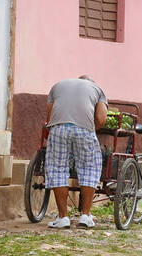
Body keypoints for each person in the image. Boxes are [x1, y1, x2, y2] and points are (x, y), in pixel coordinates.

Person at [44, 75, 108, 229]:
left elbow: (49, 116)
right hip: (84, 130)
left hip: (59, 128)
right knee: (89, 168)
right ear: (91, 84)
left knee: (57, 169)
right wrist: (89, 127)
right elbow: (100, 120)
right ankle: (85, 216)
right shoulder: (97, 90)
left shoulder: (58, 84)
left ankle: (63, 218)